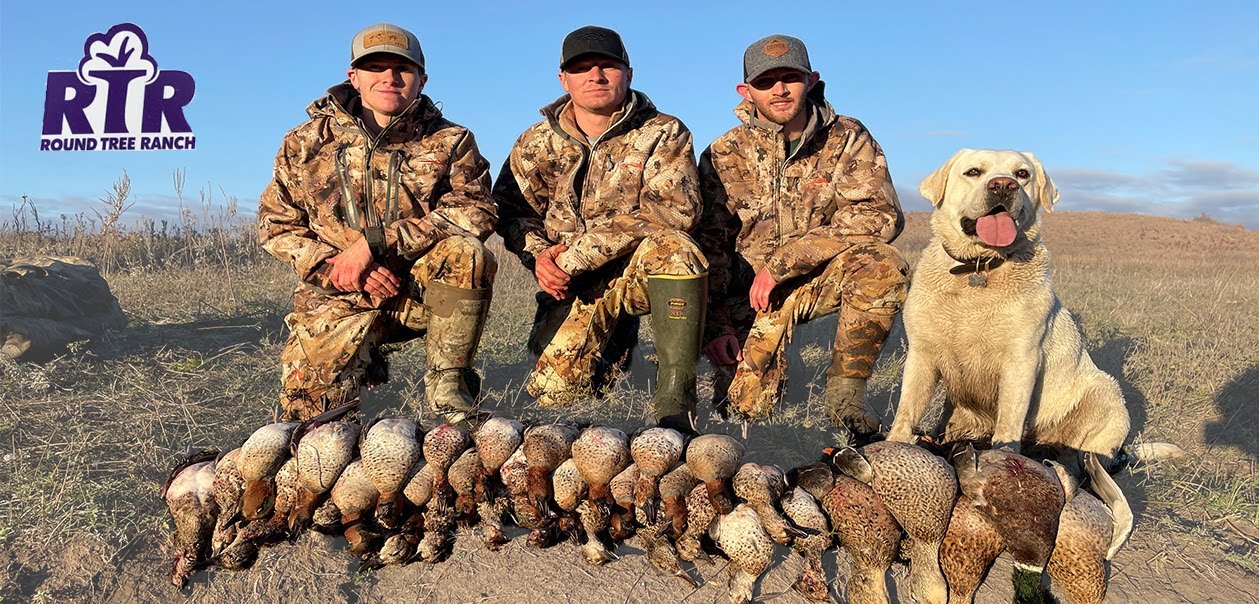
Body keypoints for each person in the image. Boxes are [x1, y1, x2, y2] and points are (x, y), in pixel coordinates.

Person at [259, 23, 498, 422]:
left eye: (402, 69)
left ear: (421, 80)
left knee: (466, 254)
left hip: (420, 294)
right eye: (375, 67)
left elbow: (476, 209)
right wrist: (337, 267)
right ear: (354, 77)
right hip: (338, 294)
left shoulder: (451, 141)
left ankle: (447, 382)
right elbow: (276, 224)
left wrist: (377, 243)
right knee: (312, 421)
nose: (390, 78)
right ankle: (365, 360)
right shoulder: (304, 142)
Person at [494, 25, 707, 432]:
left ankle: (674, 404)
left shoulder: (664, 132)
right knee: (556, 393)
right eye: (581, 68)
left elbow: (675, 211)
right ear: (563, 79)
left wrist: (573, 257)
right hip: (573, 285)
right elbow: (510, 211)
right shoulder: (535, 141)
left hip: (639, 274)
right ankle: (615, 344)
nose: (596, 75)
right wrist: (540, 256)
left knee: (676, 248)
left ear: (628, 73)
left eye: (607, 65)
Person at [697, 34, 908, 438]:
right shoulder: (724, 153)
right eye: (765, 81)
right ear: (746, 91)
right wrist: (717, 325)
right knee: (745, 411)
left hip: (818, 281)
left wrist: (784, 263)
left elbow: (879, 215)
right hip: (753, 298)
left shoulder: (847, 137)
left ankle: (845, 398)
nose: (779, 89)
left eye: (789, 77)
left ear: (811, 80)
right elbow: (711, 247)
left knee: (882, 265)